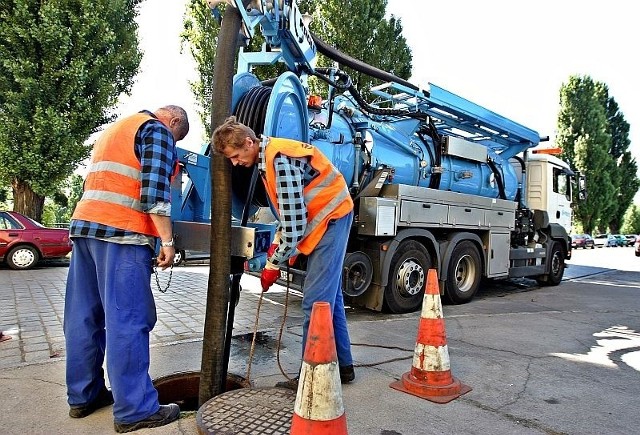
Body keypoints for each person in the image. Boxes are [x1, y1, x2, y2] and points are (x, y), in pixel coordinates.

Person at [64, 106, 189, 433]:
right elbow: (154, 196)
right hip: (123, 234)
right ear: (173, 122)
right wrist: (167, 241)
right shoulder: (157, 131)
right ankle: (135, 409)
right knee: (128, 319)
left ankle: (83, 396)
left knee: (83, 317)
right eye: (176, 139)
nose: (171, 143)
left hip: (85, 231)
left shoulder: (117, 130)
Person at [213, 116, 355, 388]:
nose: (235, 163)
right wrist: (281, 247)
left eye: (235, 156)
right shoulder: (269, 159)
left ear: (248, 142)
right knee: (330, 298)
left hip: (332, 217)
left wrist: (273, 265)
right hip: (328, 217)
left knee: (315, 302)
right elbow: (287, 215)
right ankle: (344, 368)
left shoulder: (279, 160)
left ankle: (312, 377)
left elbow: (295, 223)